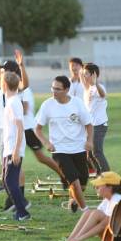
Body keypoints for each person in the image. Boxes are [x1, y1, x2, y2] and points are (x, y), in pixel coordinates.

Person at [35, 76, 93, 213]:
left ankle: (73, 199)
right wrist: (46, 143)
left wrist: (89, 141)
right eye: (52, 88)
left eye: (57, 89)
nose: (53, 91)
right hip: (59, 151)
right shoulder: (47, 105)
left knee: (83, 182)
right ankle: (86, 211)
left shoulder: (77, 103)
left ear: (67, 90)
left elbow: (89, 125)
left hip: (78, 148)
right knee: (74, 181)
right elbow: (37, 129)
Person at [0, 48, 30, 209]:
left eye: (5, 70)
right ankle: (14, 199)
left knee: (14, 169)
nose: (1, 73)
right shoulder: (4, 89)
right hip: (4, 131)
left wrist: (22, 66)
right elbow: (0, 76)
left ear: (13, 74)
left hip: (12, 133)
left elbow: (24, 85)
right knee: (7, 169)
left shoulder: (15, 91)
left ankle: (19, 199)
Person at [57, 172, 121, 241]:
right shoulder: (107, 200)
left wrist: (80, 238)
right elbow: (94, 219)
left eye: (99, 185)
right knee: (88, 212)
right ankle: (70, 239)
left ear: (110, 187)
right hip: (113, 234)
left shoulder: (117, 199)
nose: (96, 187)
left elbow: (104, 224)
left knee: (96, 213)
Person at [21, 87, 68, 187]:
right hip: (18, 128)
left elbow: (24, 110)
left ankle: (65, 175)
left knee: (41, 157)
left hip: (28, 128)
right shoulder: (13, 90)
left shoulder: (24, 90)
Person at [2, 72, 30, 221]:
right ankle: (21, 206)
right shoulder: (11, 100)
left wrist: (16, 151)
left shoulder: (13, 102)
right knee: (6, 180)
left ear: (5, 84)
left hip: (14, 148)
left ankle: (23, 212)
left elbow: (20, 128)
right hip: (9, 147)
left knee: (10, 181)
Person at [79, 63, 110, 172]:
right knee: (89, 155)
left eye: (86, 74)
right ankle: (99, 174)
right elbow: (81, 76)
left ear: (93, 74)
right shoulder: (87, 89)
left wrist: (95, 82)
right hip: (90, 127)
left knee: (97, 152)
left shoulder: (99, 87)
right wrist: (81, 69)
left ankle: (107, 176)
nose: (84, 76)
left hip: (99, 125)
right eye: (84, 74)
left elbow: (103, 95)